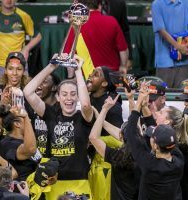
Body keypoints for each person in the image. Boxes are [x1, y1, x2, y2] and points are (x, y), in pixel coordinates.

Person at [24, 54, 94, 199]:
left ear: (77, 97)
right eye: (65, 94)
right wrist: (51, 66)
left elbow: (86, 104)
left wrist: (78, 71)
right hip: (53, 182)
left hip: (80, 182)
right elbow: (27, 92)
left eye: (73, 94)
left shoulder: (84, 117)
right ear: (58, 97)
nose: (69, 98)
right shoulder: (50, 114)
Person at [125, 82, 184, 199]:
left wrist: (139, 101)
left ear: (156, 146)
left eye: (152, 137)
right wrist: (143, 106)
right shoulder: (179, 159)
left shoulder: (149, 164)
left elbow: (130, 132)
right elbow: (149, 126)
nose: (156, 113)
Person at [89, 95, 140, 200]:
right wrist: (131, 99)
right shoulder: (147, 152)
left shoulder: (118, 157)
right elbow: (135, 127)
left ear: (121, 137)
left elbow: (93, 137)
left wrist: (104, 110)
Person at [0, 0, 41, 82]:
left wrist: (26, 48)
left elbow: (38, 36)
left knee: (21, 92)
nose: (9, 0)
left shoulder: (23, 16)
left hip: (18, 64)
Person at [64, 0, 128, 79]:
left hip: (89, 79)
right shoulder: (112, 21)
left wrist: (71, 77)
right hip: (111, 76)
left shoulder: (76, 25)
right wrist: (123, 67)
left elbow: (69, 55)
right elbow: (123, 49)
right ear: (100, 6)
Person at [86, 66, 123, 200]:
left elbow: (119, 139)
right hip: (89, 161)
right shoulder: (87, 97)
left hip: (104, 163)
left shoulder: (113, 106)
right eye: (91, 73)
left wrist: (93, 142)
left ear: (104, 83)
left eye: (96, 74)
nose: (90, 76)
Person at [151, 0, 188, 88]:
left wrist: (186, 45)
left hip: (184, 60)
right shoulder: (157, 4)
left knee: (183, 96)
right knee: (162, 96)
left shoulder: (186, 2)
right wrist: (178, 46)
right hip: (164, 62)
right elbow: (161, 30)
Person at [0, 106, 40, 181]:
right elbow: (31, 150)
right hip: (19, 190)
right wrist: (26, 117)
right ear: (17, 124)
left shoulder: (26, 139)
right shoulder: (7, 144)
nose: (29, 121)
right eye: (25, 120)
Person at [101, 0, 132, 69]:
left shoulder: (119, 3)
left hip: (114, 55)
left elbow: (125, 31)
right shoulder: (87, 3)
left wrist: (129, 57)